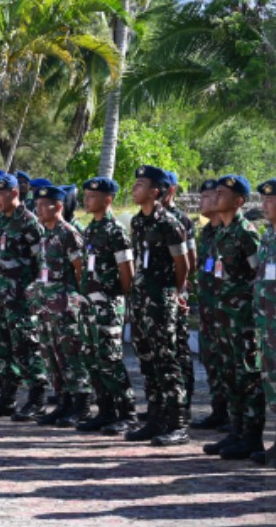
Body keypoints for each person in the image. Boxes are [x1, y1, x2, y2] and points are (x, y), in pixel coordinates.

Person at [125, 165, 190, 447]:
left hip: (161, 300)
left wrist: (172, 293)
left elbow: (183, 265)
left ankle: (177, 424)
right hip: (141, 300)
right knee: (147, 361)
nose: (134, 189)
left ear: (155, 191)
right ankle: (155, 419)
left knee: (167, 361)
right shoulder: (138, 223)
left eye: (140, 184)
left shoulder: (169, 224)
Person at [202, 175, 264, 460]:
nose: (215, 196)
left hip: (242, 320)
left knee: (247, 376)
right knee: (229, 376)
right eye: (214, 192)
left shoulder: (245, 233)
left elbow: (258, 276)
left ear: (239, 201)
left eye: (222, 193)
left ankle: (251, 437)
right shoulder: (220, 233)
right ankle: (236, 432)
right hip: (221, 317)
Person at [0, 174, 48, 418]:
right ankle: (7, 397)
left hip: (23, 298)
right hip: (3, 295)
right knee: (4, 348)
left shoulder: (29, 222)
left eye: (1, 194)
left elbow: (43, 263)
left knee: (26, 347)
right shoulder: (2, 223)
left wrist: (37, 296)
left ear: (15, 193)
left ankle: (37, 399)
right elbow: (1, 260)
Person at [78, 177, 139, 435]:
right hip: (89, 305)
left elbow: (127, 272)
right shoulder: (91, 229)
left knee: (110, 359)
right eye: (86, 196)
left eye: (93, 196)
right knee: (92, 358)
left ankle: (127, 412)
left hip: (109, 305)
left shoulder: (115, 231)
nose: (87, 200)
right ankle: (105, 411)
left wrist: (118, 299)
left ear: (107, 199)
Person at [31, 185, 89, 427]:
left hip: (65, 306)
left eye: (45, 205)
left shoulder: (68, 234)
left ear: (59, 206)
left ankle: (80, 405)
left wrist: (73, 299)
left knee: (70, 355)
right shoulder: (45, 234)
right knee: (51, 356)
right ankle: (63, 402)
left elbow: (80, 270)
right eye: (38, 205)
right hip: (46, 306)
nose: (40, 209)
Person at [191, 179, 229, 430]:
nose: (205, 202)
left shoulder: (233, 232)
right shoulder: (207, 233)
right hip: (207, 307)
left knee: (231, 364)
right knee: (210, 359)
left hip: (229, 311)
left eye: (209, 197)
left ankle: (235, 417)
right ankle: (219, 410)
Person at [162, 171, 197, 423]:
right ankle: (163, 404)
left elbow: (190, 261)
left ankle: (184, 404)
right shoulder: (147, 220)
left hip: (176, 293)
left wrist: (180, 289)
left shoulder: (180, 219)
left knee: (179, 349)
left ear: (171, 190)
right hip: (156, 294)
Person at [252, 178, 276, 468]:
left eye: (271, 200)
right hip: (267, 324)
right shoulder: (268, 236)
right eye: (265, 200)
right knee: (271, 382)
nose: (265, 204)